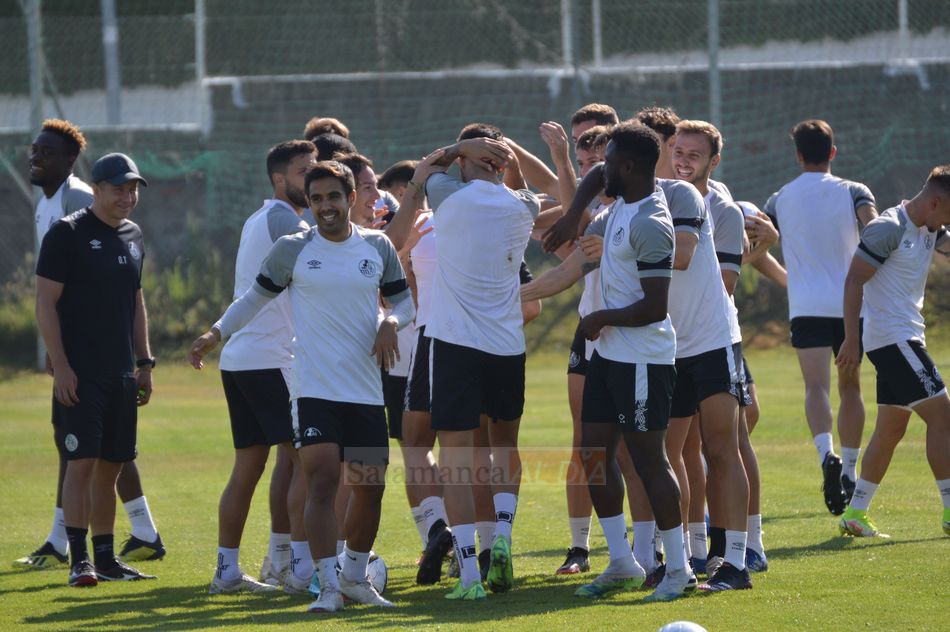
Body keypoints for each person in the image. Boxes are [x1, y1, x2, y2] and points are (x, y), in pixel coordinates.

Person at [190, 160, 414, 613]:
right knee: (322, 483)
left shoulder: (377, 247)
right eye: (316, 199)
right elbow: (253, 299)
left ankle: (355, 578)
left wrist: (390, 320)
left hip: (367, 391)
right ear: (308, 204)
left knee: (371, 488)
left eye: (333, 197)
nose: (325, 206)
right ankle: (327, 586)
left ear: (352, 199)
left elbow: (406, 302)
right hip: (313, 390)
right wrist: (215, 334)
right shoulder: (293, 248)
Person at [524, 122, 695, 602]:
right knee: (593, 455)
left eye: (611, 159)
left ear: (630, 167)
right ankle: (621, 562)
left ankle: (678, 569)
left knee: (649, 461)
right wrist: (572, 212)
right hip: (607, 354)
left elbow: (655, 307)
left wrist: (599, 316)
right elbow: (595, 178)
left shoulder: (651, 223)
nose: (601, 168)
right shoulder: (619, 204)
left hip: (643, 358)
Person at [17, 120, 165, 570]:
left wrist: (144, 363)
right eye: (119, 189)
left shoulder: (134, 235)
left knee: (111, 467)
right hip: (80, 373)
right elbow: (46, 301)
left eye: (134, 190)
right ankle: (78, 559)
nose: (127, 197)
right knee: (80, 463)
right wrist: (59, 364)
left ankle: (106, 559)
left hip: (122, 374)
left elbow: (136, 300)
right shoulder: (68, 231)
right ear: (97, 188)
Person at [414, 125, 536, 600]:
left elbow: (429, 168)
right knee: (504, 445)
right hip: (507, 344)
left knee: (458, 460)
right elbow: (534, 191)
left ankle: (468, 575)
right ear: (502, 166)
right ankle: (501, 537)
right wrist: (511, 164)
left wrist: (459, 148)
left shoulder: (448, 197)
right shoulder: (521, 207)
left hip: (454, 344)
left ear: (468, 163)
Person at [206, 140, 316, 594]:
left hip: (241, 359)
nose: (311, 179)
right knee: (306, 462)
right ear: (279, 179)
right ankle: (297, 568)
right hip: (270, 360)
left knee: (249, 467)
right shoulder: (285, 221)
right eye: (303, 171)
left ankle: (227, 571)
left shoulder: (259, 218)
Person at [763, 119, 877, 515]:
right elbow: (875, 232)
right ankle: (848, 470)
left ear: (797, 155)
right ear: (833, 151)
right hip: (851, 307)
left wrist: (789, 281)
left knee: (816, 388)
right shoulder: (854, 191)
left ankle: (824, 454)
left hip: (807, 306)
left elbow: (754, 246)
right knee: (851, 388)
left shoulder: (779, 199)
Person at [836, 165, 950, 538]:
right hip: (892, 339)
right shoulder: (888, 228)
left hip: (901, 338)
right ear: (935, 203)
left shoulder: (930, 226)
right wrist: (850, 339)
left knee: (891, 429)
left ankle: (856, 511)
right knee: (943, 416)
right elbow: (854, 280)